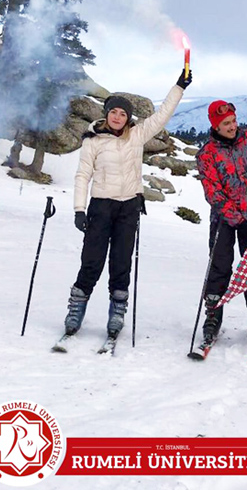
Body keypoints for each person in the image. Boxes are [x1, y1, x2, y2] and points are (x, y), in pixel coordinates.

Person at [62, 68, 192, 339]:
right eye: (113, 112)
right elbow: (83, 174)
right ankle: (77, 307)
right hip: (100, 206)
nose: (118, 117)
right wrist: (78, 209)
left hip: (128, 207)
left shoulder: (137, 135)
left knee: (121, 262)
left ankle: (117, 311)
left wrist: (179, 86)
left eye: (123, 113)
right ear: (106, 114)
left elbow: (163, 114)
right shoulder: (93, 141)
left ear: (128, 118)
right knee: (91, 261)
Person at [195, 100, 247, 348]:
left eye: (232, 121)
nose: (232, 127)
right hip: (224, 220)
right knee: (220, 266)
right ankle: (213, 315)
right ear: (215, 126)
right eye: (225, 124)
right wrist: (239, 220)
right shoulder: (207, 153)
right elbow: (214, 193)